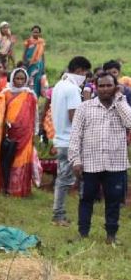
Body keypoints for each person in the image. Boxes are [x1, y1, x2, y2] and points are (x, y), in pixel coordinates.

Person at [69, 72, 131, 244]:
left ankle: (111, 235)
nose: (105, 89)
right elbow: (75, 136)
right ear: (96, 87)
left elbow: (130, 123)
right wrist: (76, 160)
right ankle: (83, 234)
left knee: (113, 201)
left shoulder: (121, 106)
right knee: (86, 199)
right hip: (89, 163)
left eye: (109, 86)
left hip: (115, 163)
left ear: (115, 87)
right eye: (101, 86)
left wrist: (119, 97)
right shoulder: (85, 107)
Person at [51, 56, 92, 226]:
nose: (85, 77)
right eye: (85, 74)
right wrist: (88, 102)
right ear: (79, 71)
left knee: (64, 179)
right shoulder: (72, 89)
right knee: (66, 180)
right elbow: (74, 117)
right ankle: (59, 215)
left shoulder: (59, 85)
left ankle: (62, 214)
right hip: (71, 142)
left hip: (61, 139)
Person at [2, 68, 38, 197]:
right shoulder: (5, 93)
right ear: (12, 78)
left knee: (22, 159)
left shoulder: (30, 94)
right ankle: (6, 187)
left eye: (22, 79)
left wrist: (35, 133)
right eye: (17, 78)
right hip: (10, 132)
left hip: (26, 132)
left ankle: (20, 189)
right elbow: (1, 112)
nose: (20, 81)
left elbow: (35, 115)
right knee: (8, 159)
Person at [23, 25, 46, 96]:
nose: (36, 34)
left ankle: (36, 96)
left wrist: (44, 66)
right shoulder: (28, 41)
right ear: (31, 32)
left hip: (38, 64)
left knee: (37, 80)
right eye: (34, 32)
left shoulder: (41, 42)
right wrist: (24, 62)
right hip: (29, 64)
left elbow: (42, 54)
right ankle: (29, 95)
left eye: (37, 32)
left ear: (40, 33)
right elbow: (25, 52)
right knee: (30, 79)